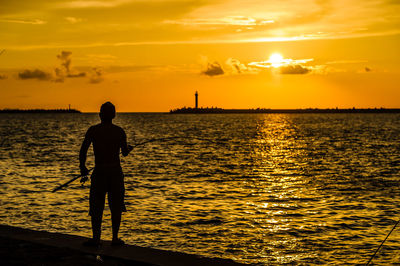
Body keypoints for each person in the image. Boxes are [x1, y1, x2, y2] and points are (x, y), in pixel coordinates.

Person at [79, 102, 133, 247]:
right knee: (116, 206)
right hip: (115, 172)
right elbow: (125, 152)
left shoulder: (93, 130)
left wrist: (82, 167)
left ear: (100, 115)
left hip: (99, 172)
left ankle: (96, 239)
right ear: (114, 115)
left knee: (97, 206)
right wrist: (129, 149)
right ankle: (115, 238)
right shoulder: (119, 131)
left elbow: (83, 150)